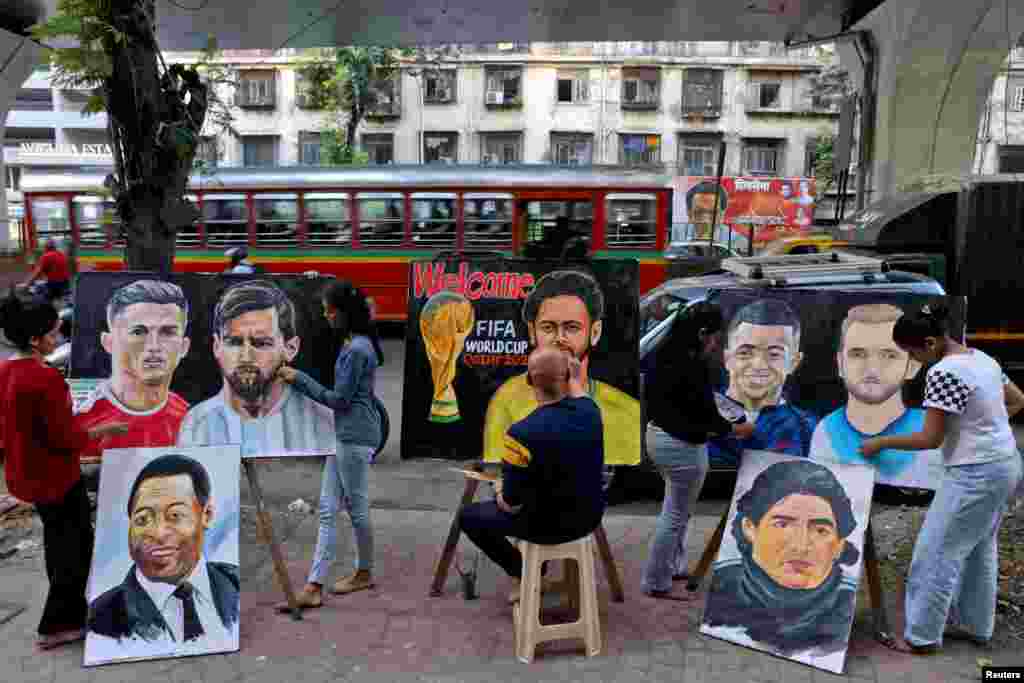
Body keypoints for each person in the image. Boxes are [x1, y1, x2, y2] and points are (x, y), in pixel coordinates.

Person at [860, 304, 1024, 655]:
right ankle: (976, 626)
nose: (915, 361)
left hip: (974, 474)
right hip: (1005, 464)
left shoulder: (945, 372)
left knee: (936, 552)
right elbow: (1017, 400)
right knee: (979, 548)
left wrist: (881, 441)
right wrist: (985, 427)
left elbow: (930, 439)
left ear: (931, 342)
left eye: (914, 353)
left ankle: (921, 637)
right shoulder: (983, 359)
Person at [0, 293, 126, 650]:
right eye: (54, 334)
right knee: (75, 549)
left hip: (27, 474)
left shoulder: (7, 370)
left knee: (59, 545)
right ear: (36, 340)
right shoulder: (43, 378)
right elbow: (65, 438)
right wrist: (104, 430)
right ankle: (57, 625)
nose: (59, 339)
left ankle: (66, 615)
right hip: (55, 477)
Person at [459, 347, 605, 601]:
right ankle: (528, 573)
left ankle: (526, 572)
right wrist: (570, 371)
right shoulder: (590, 411)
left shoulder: (521, 433)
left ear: (528, 381)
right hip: (589, 517)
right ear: (568, 375)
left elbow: (511, 505)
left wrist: (498, 490)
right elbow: (578, 390)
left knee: (468, 516)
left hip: (545, 526)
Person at [274, 281, 383, 608]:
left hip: (353, 436)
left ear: (343, 313)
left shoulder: (356, 350)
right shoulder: (360, 344)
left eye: (329, 311)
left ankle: (362, 573)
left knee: (356, 508)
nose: (326, 316)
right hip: (349, 435)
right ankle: (314, 586)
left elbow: (339, 400)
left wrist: (299, 380)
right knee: (327, 509)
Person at [641, 302, 755, 600]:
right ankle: (656, 580)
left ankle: (672, 566)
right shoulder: (691, 364)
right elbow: (705, 414)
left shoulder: (662, 354)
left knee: (679, 508)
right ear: (702, 333)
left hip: (659, 436)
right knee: (676, 513)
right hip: (682, 446)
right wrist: (735, 429)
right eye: (714, 337)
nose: (715, 344)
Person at [702, 459, 862, 664]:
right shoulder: (722, 589)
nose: (801, 546)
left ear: (839, 544)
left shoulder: (845, 603)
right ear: (750, 528)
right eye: (783, 524)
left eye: (821, 530)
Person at [483, 269, 640, 468]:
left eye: (572, 327)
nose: (559, 338)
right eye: (548, 327)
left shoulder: (627, 413)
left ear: (595, 332)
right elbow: (499, 470)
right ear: (532, 332)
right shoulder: (506, 400)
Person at [87, 454, 239, 653]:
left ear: (207, 515)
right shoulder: (102, 618)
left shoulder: (235, 582)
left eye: (175, 516)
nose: (159, 534)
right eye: (143, 519)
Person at [177, 280, 335, 458]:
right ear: (216, 347)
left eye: (261, 343)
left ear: (290, 348)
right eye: (234, 342)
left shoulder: (322, 420)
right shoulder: (197, 425)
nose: (246, 356)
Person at [810, 303, 939, 488]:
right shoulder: (825, 433)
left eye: (889, 355)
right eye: (858, 354)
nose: (872, 368)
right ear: (840, 363)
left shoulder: (934, 430)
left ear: (913, 366)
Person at [74, 280, 192, 461]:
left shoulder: (192, 420)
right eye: (138, 332)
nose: (154, 346)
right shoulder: (79, 420)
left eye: (167, 332)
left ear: (184, 346)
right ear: (108, 342)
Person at [710, 299, 817, 466]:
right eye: (745, 352)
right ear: (727, 359)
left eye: (774, 354)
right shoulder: (693, 414)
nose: (759, 365)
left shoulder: (810, 430)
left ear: (794, 362)